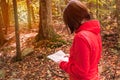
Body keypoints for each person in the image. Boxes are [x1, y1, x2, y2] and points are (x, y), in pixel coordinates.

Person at [58, 0, 102, 80]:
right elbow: (92, 57)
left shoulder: (81, 37)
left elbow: (81, 71)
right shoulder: (94, 32)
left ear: (72, 20)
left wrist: (62, 63)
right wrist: (72, 57)